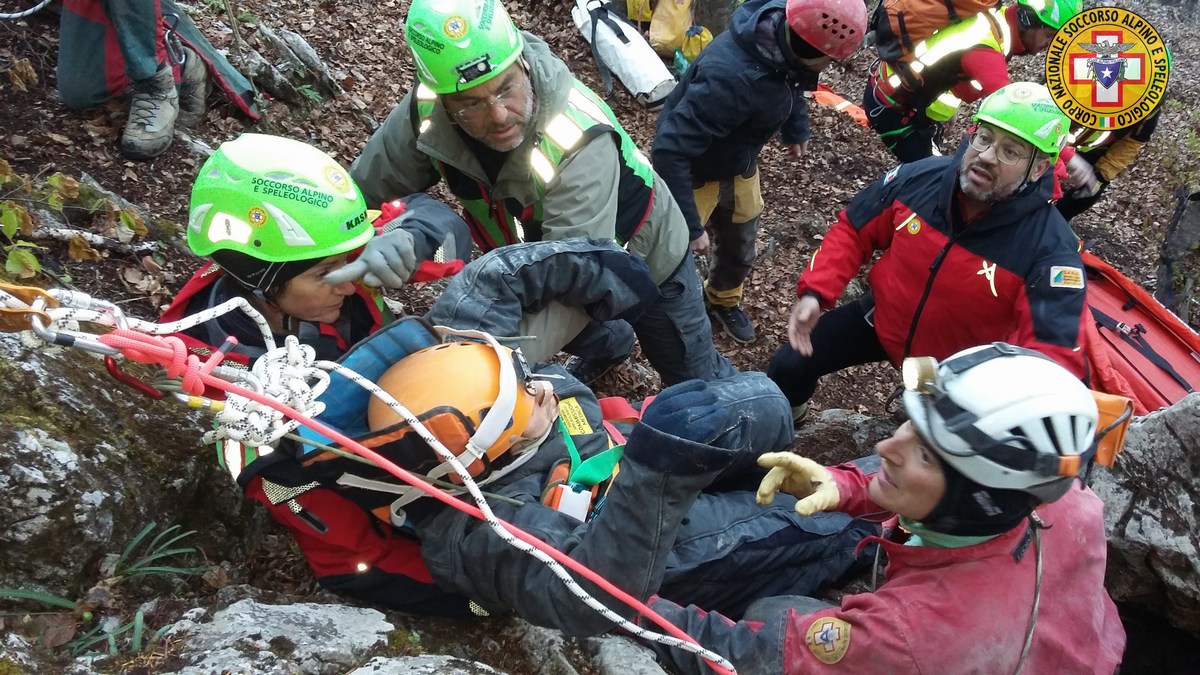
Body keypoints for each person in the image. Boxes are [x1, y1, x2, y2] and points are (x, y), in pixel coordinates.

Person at [270, 322, 876, 631]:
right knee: (806, 528)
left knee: (761, 434)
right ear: (493, 451)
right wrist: (655, 475)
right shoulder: (486, 535)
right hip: (648, 548)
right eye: (521, 396)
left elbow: (559, 397)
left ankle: (878, 486)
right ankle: (887, 526)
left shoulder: (522, 410)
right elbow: (593, 595)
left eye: (520, 372)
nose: (538, 383)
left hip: (633, 474)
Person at [642, 342, 1127, 673]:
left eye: (924, 452)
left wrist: (628, 607)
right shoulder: (1065, 504)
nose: (886, 444)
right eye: (909, 425)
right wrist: (845, 484)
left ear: (977, 498)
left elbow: (743, 655)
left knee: (773, 613)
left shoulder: (911, 632)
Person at [339, 0, 735, 386]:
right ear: (443, 98)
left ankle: (746, 425)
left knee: (688, 373)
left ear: (523, 62)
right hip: (532, 253)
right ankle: (611, 344)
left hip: (648, 255)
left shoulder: (576, 140)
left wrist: (476, 375)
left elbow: (577, 280)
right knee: (568, 321)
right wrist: (328, 253)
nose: (498, 115)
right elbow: (363, 192)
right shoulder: (428, 110)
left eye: (506, 89)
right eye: (471, 104)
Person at [768, 82, 1090, 422]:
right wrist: (816, 293)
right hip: (885, 320)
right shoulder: (919, 179)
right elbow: (855, 229)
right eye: (984, 138)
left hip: (960, 370)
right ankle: (790, 424)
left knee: (922, 438)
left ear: (1038, 168)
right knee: (789, 364)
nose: (987, 156)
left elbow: (1051, 358)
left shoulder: (1050, 250)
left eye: (1010, 152)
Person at [652, 0, 868, 343]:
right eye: (829, 58)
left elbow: (793, 80)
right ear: (811, 47)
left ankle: (722, 299)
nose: (829, 66)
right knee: (671, 257)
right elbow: (668, 150)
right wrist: (692, 226)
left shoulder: (783, 35)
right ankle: (671, 324)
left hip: (737, 166)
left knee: (742, 240)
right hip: (692, 173)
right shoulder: (729, 79)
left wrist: (796, 128)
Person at [162, 133, 473, 364]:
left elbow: (450, 238)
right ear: (261, 284)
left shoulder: (338, 251)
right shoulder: (200, 351)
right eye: (325, 273)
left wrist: (413, 240)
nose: (350, 287)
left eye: (342, 263)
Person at [864, 0, 1081, 163]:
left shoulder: (990, 22)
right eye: (1050, 35)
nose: (1050, 44)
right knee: (933, 178)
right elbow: (1019, 113)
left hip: (893, 94)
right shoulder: (986, 50)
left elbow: (945, 61)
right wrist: (1069, 159)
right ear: (1028, 20)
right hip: (890, 108)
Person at [1059, 105, 1163, 221]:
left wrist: (1102, 175)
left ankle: (1055, 221)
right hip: (1060, 126)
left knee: (1088, 192)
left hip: (1096, 148)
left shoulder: (1150, 104)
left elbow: (1131, 143)